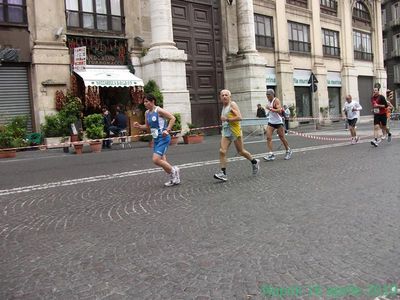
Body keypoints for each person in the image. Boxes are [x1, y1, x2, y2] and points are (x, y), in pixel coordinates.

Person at [133, 93, 180, 187]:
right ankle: (174, 178)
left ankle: (174, 170)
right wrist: (139, 126)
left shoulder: (158, 110)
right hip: (156, 139)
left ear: (152, 101)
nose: (145, 104)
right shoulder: (147, 113)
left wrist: (167, 130)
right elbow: (147, 126)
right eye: (144, 102)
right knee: (163, 162)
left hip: (163, 138)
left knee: (156, 159)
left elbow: (172, 118)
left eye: (147, 101)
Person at [213, 89, 260, 182]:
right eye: (222, 95)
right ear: (220, 97)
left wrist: (227, 119)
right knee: (222, 151)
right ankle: (223, 174)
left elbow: (239, 117)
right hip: (226, 131)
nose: (224, 97)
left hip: (235, 131)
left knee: (241, 151)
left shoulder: (232, 104)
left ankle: (254, 162)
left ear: (230, 97)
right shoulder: (224, 106)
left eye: (226, 95)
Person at [263, 89, 292, 161]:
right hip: (271, 122)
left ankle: (288, 150)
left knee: (282, 137)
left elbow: (279, 110)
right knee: (268, 137)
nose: (267, 97)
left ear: (272, 94)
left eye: (268, 95)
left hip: (278, 122)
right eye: (266, 95)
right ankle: (271, 154)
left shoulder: (276, 100)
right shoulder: (269, 101)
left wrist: (270, 108)